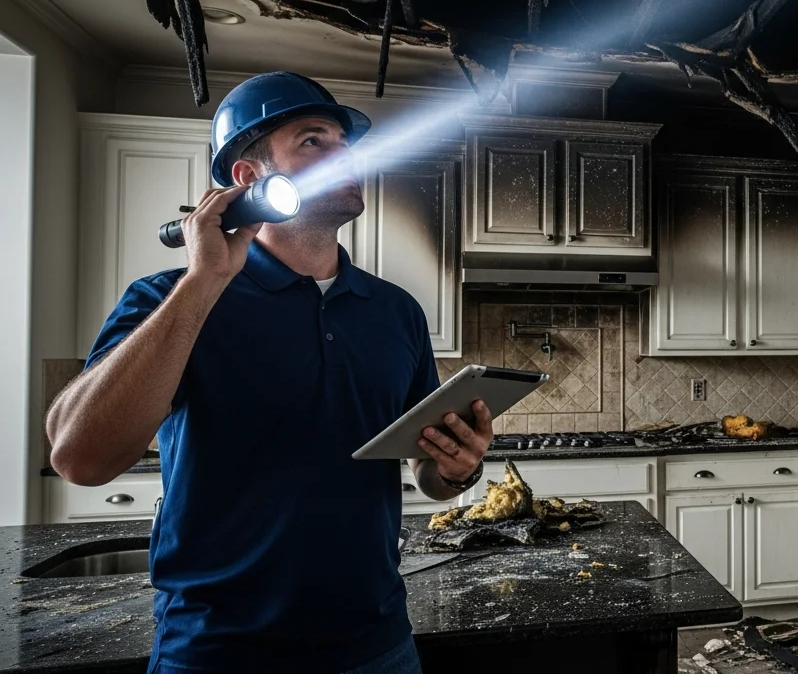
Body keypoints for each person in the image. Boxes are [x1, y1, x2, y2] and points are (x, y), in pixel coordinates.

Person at [45, 72, 490, 674]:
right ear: (251, 180)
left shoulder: (396, 312)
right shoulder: (168, 299)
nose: (346, 157)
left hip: (378, 645)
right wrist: (203, 281)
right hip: (218, 651)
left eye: (345, 143)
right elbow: (81, 458)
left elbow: (425, 472)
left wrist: (456, 470)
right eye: (314, 141)